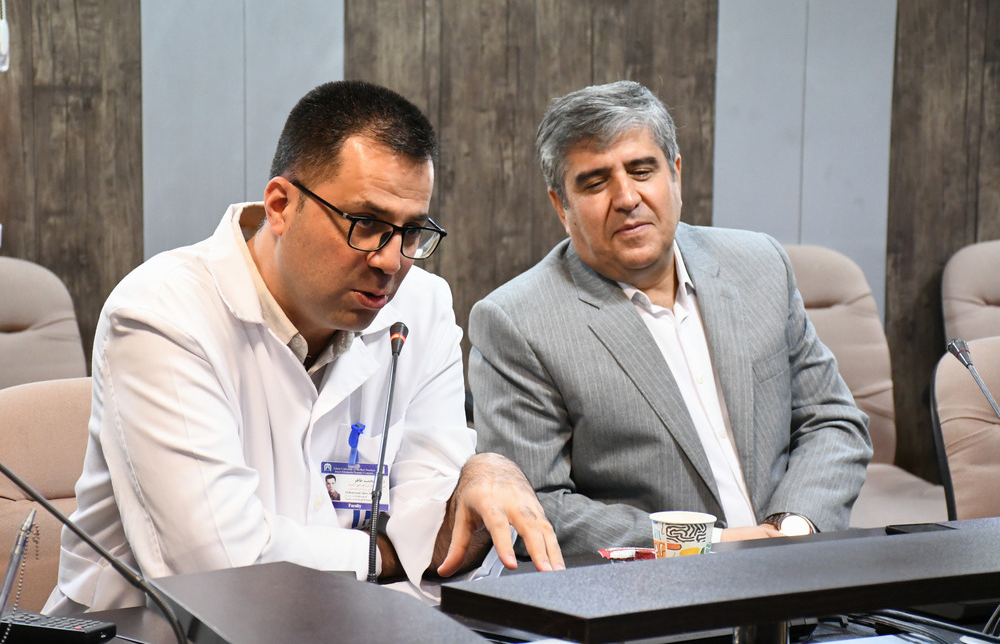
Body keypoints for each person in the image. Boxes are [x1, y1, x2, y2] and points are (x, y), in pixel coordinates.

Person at [45, 80, 563, 615]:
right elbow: (224, 568)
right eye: (366, 224)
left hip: (350, 621)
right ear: (280, 206)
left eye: (411, 232)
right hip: (153, 629)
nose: (391, 261)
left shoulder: (421, 306)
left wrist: (483, 470)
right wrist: (383, 555)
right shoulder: (162, 313)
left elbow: (436, 532)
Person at [468, 80, 872, 557]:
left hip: (798, 572)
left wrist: (790, 529)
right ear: (562, 205)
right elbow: (535, 505)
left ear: (675, 174)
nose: (626, 197)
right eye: (595, 182)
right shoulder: (516, 323)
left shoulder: (760, 264)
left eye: (642, 171)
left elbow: (832, 422)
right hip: (655, 596)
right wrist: (713, 544)